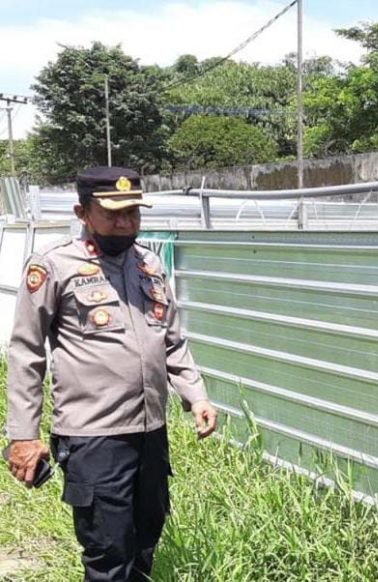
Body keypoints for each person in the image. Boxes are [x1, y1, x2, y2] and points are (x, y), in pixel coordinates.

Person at [4, 166, 218, 582]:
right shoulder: (53, 265)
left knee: (145, 540)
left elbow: (170, 339)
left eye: (133, 214)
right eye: (112, 214)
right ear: (83, 212)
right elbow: (27, 351)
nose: (125, 224)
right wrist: (24, 436)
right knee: (108, 551)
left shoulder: (149, 265)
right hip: (93, 435)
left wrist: (197, 395)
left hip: (149, 433)